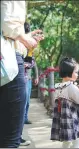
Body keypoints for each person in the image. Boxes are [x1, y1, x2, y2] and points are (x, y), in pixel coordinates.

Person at [0, 1, 44, 148]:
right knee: (10, 137)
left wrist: (25, 36)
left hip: (12, 61)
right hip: (9, 63)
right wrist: (27, 40)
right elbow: (8, 25)